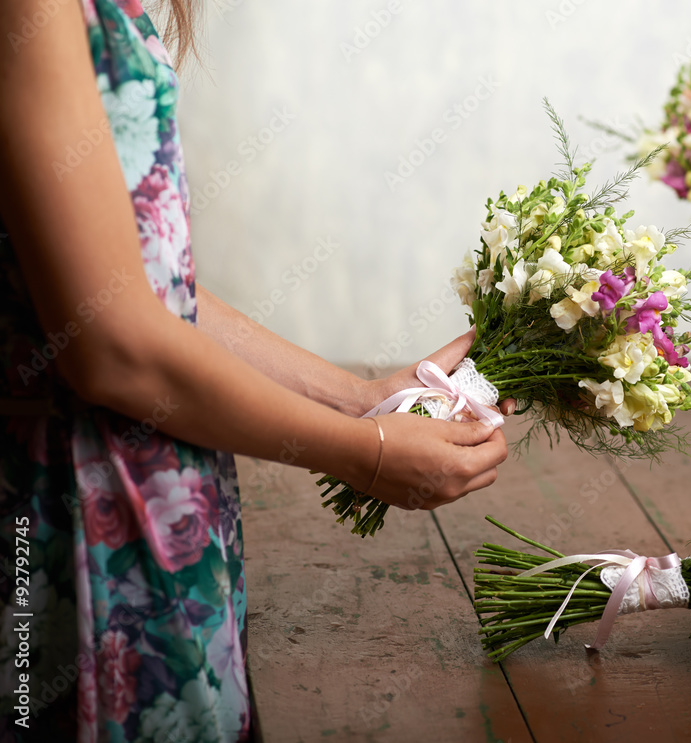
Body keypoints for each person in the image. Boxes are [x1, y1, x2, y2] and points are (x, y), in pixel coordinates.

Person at [0, 1, 510, 740]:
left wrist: (361, 399)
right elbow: (111, 345)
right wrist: (363, 453)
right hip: (70, 518)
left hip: (165, 510)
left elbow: (147, 289)